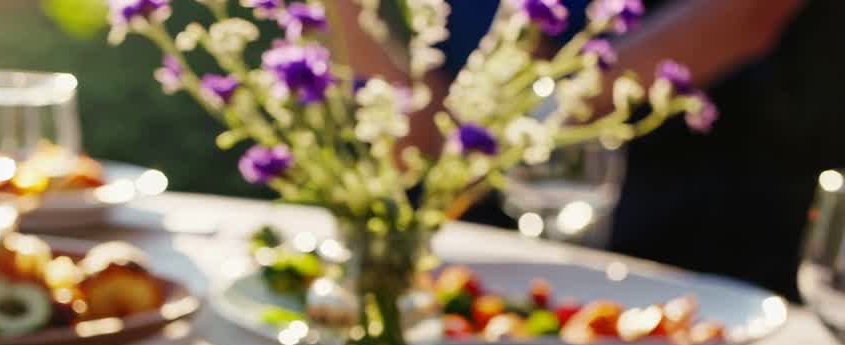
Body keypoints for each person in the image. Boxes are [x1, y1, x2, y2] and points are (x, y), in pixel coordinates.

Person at [336, 0, 842, 299]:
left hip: (708, 262)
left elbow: (749, 16)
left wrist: (521, 116)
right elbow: (418, 141)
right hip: (495, 274)